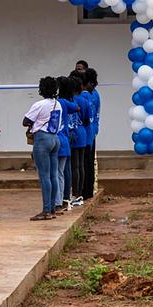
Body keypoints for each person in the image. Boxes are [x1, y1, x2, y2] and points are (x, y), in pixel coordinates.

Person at [24, 77, 63, 221]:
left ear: (41, 89)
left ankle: (46, 210)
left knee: (44, 176)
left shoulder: (39, 104)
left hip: (42, 139)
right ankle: (52, 209)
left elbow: (25, 121)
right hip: (55, 138)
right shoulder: (58, 104)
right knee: (53, 175)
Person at [56, 75, 79, 211]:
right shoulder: (69, 101)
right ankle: (66, 196)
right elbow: (77, 108)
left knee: (59, 171)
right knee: (66, 169)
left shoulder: (59, 102)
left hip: (61, 137)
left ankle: (61, 199)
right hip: (69, 136)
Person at [66, 73, 89, 207]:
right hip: (82, 133)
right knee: (80, 165)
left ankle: (74, 193)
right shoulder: (84, 101)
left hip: (72, 133)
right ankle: (79, 192)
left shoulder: (69, 100)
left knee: (73, 165)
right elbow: (87, 119)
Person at [81, 68, 100, 200]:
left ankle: (84, 190)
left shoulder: (85, 97)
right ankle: (89, 189)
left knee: (84, 163)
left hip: (85, 134)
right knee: (88, 163)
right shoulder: (94, 94)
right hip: (91, 132)